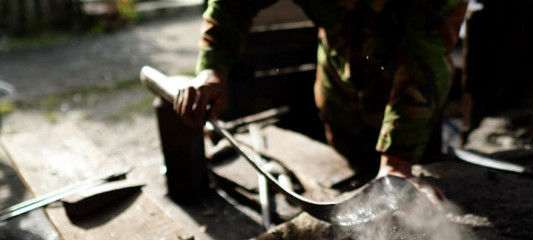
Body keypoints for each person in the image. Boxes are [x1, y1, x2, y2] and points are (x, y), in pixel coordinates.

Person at [174, 0, 468, 201]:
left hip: (413, 112)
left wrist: (398, 164)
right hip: (339, 95)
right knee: (346, 174)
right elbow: (232, 4)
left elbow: (425, 59)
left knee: (413, 197)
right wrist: (212, 69)